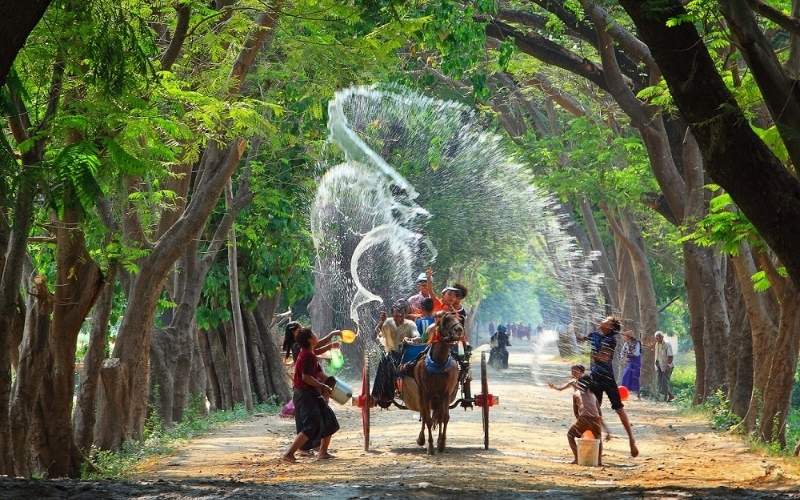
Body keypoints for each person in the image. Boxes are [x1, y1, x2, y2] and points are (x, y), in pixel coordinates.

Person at [577, 316, 638, 457]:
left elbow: (604, 358)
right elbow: (581, 339)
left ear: (610, 327)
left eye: (606, 320)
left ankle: (631, 440)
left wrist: (591, 354)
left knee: (619, 409)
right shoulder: (594, 335)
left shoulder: (611, 340)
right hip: (595, 379)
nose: (602, 320)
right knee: (593, 411)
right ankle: (599, 444)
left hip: (608, 379)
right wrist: (576, 335)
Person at [283, 328, 340, 462]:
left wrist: (332, 383)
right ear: (310, 339)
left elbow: (319, 374)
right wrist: (323, 386)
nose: (316, 336)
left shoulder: (310, 353)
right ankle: (289, 454)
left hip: (310, 392)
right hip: (305, 394)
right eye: (314, 334)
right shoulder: (307, 355)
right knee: (311, 425)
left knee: (329, 420)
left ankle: (323, 452)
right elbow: (306, 378)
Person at [372, 301, 420, 407]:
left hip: (406, 354)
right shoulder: (387, 322)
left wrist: (411, 340)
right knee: (385, 360)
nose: (399, 314)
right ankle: (378, 394)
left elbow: (417, 336)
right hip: (391, 353)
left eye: (401, 312)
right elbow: (375, 335)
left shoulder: (410, 324)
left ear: (405, 313)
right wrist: (381, 322)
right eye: (396, 312)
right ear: (392, 313)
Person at [567, 376, 605, 465]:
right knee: (598, 439)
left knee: (570, 435)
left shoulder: (576, 393)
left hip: (583, 418)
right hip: (596, 419)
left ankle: (577, 458)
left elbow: (576, 412)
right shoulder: (593, 395)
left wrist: (581, 427)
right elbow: (599, 413)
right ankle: (599, 461)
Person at [621, 330, 642, 400]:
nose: (624, 337)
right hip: (629, 362)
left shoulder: (637, 343)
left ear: (628, 337)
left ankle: (638, 395)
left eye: (625, 336)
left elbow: (636, 353)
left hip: (636, 362)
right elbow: (622, 352)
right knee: (625, 377)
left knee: (635, 377)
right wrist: (624, 358)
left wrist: (628, 355)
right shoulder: (626, 343)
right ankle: (624, 394)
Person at [654, 331, 675, 402]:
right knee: (660, 382)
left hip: (667, 366)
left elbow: (670, 356)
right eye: (656, 338)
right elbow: (657, 355)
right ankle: (670, 396)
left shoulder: (667, 344)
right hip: (659, 365)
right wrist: (656, 365)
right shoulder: (657, 344)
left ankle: (665, 399)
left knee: (664, 383)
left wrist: (668, 366)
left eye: (659, 337)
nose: (657, 339)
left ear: (662, 337)